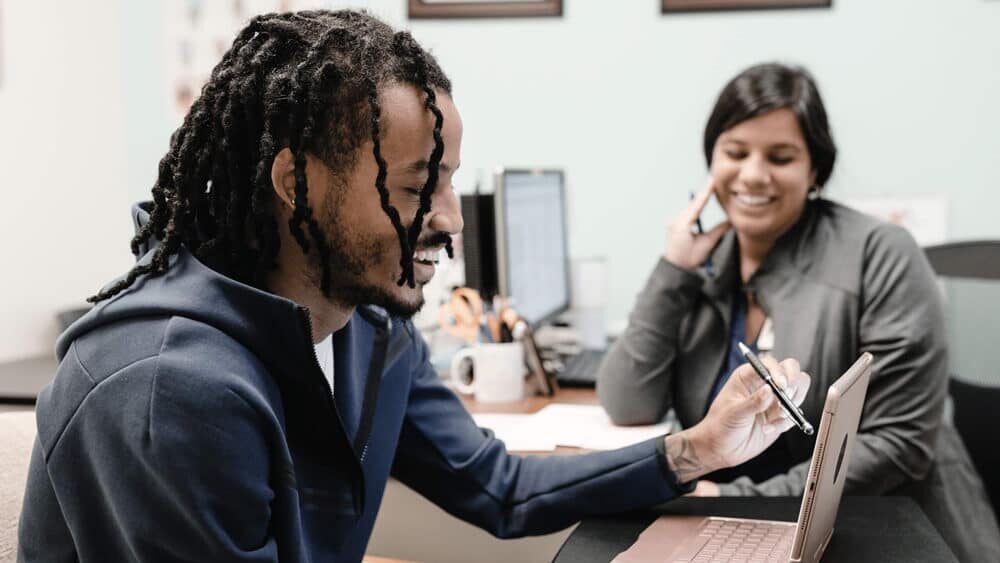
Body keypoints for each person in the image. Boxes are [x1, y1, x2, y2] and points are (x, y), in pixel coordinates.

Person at [17, 12, 811, 562]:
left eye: (450, 183)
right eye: (414, 189)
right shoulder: (168, 389)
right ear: (296, 181)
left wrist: (696, 448)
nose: (451, 222)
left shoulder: (369, 323)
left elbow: (497, 488)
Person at [595, 62, 1000, 562]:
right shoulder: (702, 264)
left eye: (780, 157)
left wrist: (737, 501)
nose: (753, 174)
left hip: (873, 530)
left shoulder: (882, 253)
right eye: (735, 152)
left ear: (815, 170)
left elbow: (899, 442)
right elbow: (625, 402)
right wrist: (672, 272)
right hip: (733, 534)